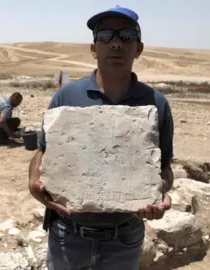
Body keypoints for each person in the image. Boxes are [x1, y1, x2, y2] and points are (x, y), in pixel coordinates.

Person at [28, 6, 175, 270]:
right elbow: (42, 153)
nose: (116, 43)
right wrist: (32, 181)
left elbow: (163, 168)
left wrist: (161, 193)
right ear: (94, 48)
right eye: (106, 36)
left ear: (138, 49)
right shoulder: (66, 97)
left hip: (125, 237)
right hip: (68, 235)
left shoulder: (156, 103)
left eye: (126, 36)